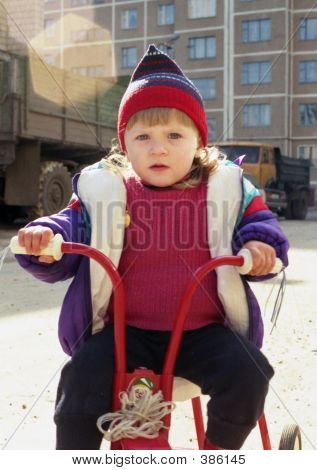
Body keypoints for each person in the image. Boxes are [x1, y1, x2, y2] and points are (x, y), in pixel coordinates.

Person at [15, 45, 289, 450]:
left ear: (199, 142)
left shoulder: (227, 190)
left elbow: (261, 225)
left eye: (174, 135)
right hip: (127, 333)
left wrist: (258, 244)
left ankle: (216, 452)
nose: (157, 148)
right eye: (143, 136)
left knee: (250, 372)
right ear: (125, 144)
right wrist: (44, 238)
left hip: (204, 333)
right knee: (81, 377)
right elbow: (69, 227)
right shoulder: (107, 193)